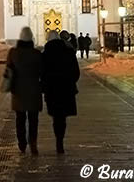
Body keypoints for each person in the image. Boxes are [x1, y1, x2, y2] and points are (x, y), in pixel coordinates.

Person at [6, 26, 42, 155]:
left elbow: (8, 69)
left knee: (20, 118)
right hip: (34, 90)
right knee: (33, 119)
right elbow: (42, 71)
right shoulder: (37, 53)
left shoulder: (13, 53)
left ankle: (21, 143)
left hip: (18, 90)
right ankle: (33, 143)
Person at [42, 33, 80, 154]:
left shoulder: (45, 54)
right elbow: (76, 72)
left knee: (56, 116)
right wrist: (70, 82)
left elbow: (41, 72)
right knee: (62, 117)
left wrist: (44, 84)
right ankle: (60, 139)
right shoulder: (68, 52)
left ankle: (58, 138)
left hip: (52, 89)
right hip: (66, 89)